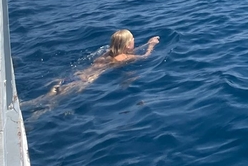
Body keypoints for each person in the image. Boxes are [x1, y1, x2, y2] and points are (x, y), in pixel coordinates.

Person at [24, 31, 160, 113]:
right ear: (127, 45)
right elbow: (145, 57)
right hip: (85, 81)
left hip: (74, 76)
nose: (134, 42)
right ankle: (34, 117)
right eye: (133, 41)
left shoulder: (108, 53)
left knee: (47, 96)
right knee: (51, 104)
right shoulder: (125, 57)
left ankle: (25, 105)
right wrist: (151, 45)